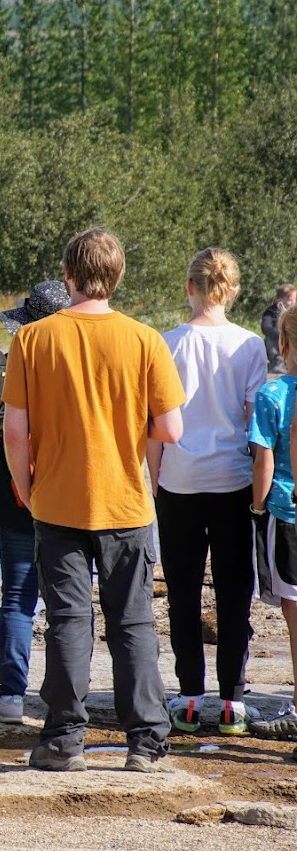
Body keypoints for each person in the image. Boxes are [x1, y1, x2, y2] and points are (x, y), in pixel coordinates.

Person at [2, 228, 185, 773]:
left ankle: (63, 739)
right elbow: (171, 428)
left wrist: (26, 486)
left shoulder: (33, 339)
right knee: (133, 624)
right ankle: (145, 741)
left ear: (68, 275)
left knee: (67, 621)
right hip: (126, 500)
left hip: (57, 500)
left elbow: (14, 431)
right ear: (118, 276)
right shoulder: (145, 339)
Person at [148, 249, 266, 736]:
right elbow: (253, 420)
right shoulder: (250, 346)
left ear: (189, 287)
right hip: (233, 479)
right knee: (236, 593)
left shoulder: (167, 342)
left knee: (182, 592)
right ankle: (233, 699)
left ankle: (190, 696)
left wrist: (151, 483)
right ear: (233, 290)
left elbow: (156, 423)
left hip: (178, 479)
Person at [0, 281, 69, 724]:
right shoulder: (77, 360)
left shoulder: (21, 357)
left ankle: (11, 695)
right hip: (67, 483)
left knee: (16, 597)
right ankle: (65, 694)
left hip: (17, 483)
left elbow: (9, 427)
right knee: (65, 598)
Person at [248, 306, 297, 737]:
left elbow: (263, 463)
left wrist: (256, 508)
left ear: (283, 344)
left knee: (295, 614)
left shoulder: (274, 396)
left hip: (286, 514)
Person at [261, 285, 295, 372]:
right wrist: (282, 333)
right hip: (277, 341)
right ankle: (278, 361)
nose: (293, 302)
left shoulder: (295, 312)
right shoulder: (271, 312)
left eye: (295, 299)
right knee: (269, 339)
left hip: (293, 341)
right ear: (280, 299)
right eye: (290, 300)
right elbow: (266, 327)